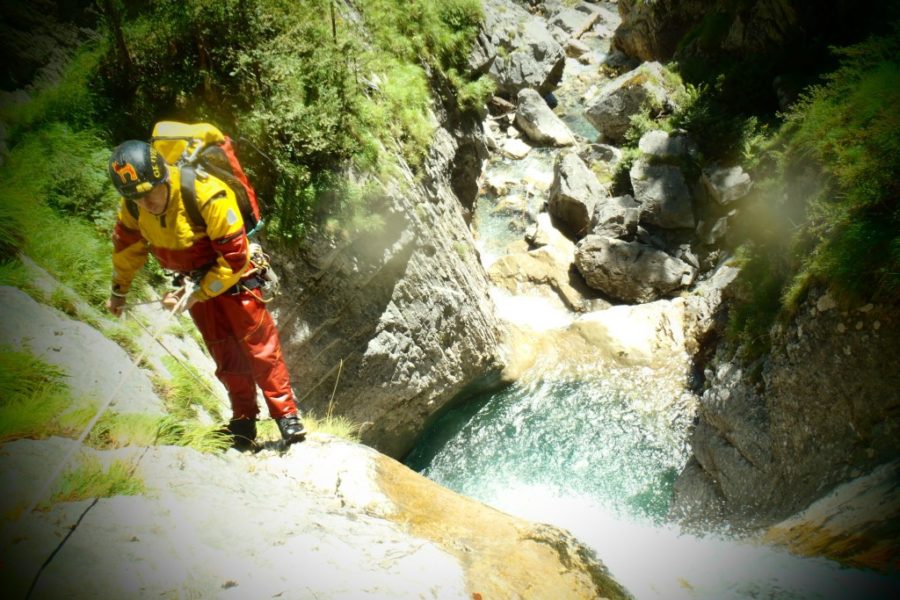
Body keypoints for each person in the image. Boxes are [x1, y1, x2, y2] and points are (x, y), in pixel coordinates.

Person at [105, 139, 305, 449]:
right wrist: (119, 291)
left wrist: (197, 293)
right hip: (194, 283)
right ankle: (243, 421)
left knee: (259, 348)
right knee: (224, 352)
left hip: (236, 277)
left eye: (149, 193)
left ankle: (286, 415)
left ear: (162, 178)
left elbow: (235, 258)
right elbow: (127, 249)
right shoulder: (133, 204)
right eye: (137, 198)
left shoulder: (206, 193)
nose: (146, 203)